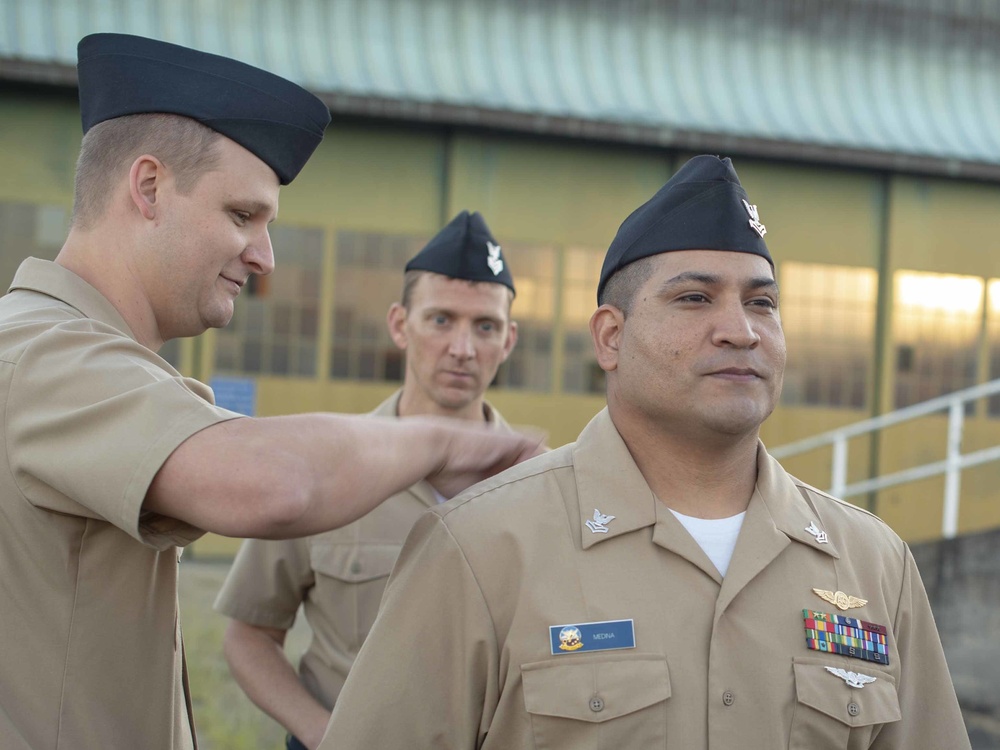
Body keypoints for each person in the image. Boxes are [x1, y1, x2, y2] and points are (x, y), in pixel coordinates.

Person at [317, 155, 971, 749]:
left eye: (762, 303)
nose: (740, 330)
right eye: (694, 298)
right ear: (610, 337)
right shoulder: (483, 547)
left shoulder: (872, 563)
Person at [0, 34, 541, 750]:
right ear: (149, 187)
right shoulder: (43, 351)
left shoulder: (76, 354)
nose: (264, 256)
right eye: (241, 216)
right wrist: (449, 442)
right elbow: (275, 484)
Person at [214, 211, 519, 750]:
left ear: (509, 340)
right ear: (400, 325)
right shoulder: (328, 470)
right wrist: (322, 735)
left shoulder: (534, 483)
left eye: (485, 326)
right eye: (442, 320)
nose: (463, 348)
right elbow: (249, 633)